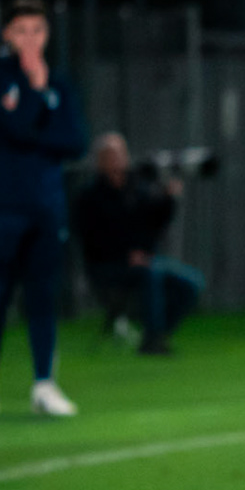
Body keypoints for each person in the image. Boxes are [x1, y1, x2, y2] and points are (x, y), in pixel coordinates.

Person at [0, 0, 88, 417]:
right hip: (2, 205)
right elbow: (14, 130)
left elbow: (75, 140)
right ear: (7, 34)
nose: (30, 39)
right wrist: (38, 100)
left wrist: (38, 105)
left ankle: (44, 384)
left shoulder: (60, 81)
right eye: (21, 31)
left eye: (37, 30)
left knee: (42, 296)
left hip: (46, 205)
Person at [73, 133, 204, 355]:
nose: (118, 160)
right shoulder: (90, 197)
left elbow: (154, 221)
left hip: (145, 260)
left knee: (191, 283)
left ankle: (159, 333)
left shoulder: (137, 187)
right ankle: (152, 341)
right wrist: (126, 255)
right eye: (111, 156)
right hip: (108, 266)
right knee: (149, 274)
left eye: (121, 154)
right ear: (100, 161)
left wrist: (169, 199)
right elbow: (91, 239)